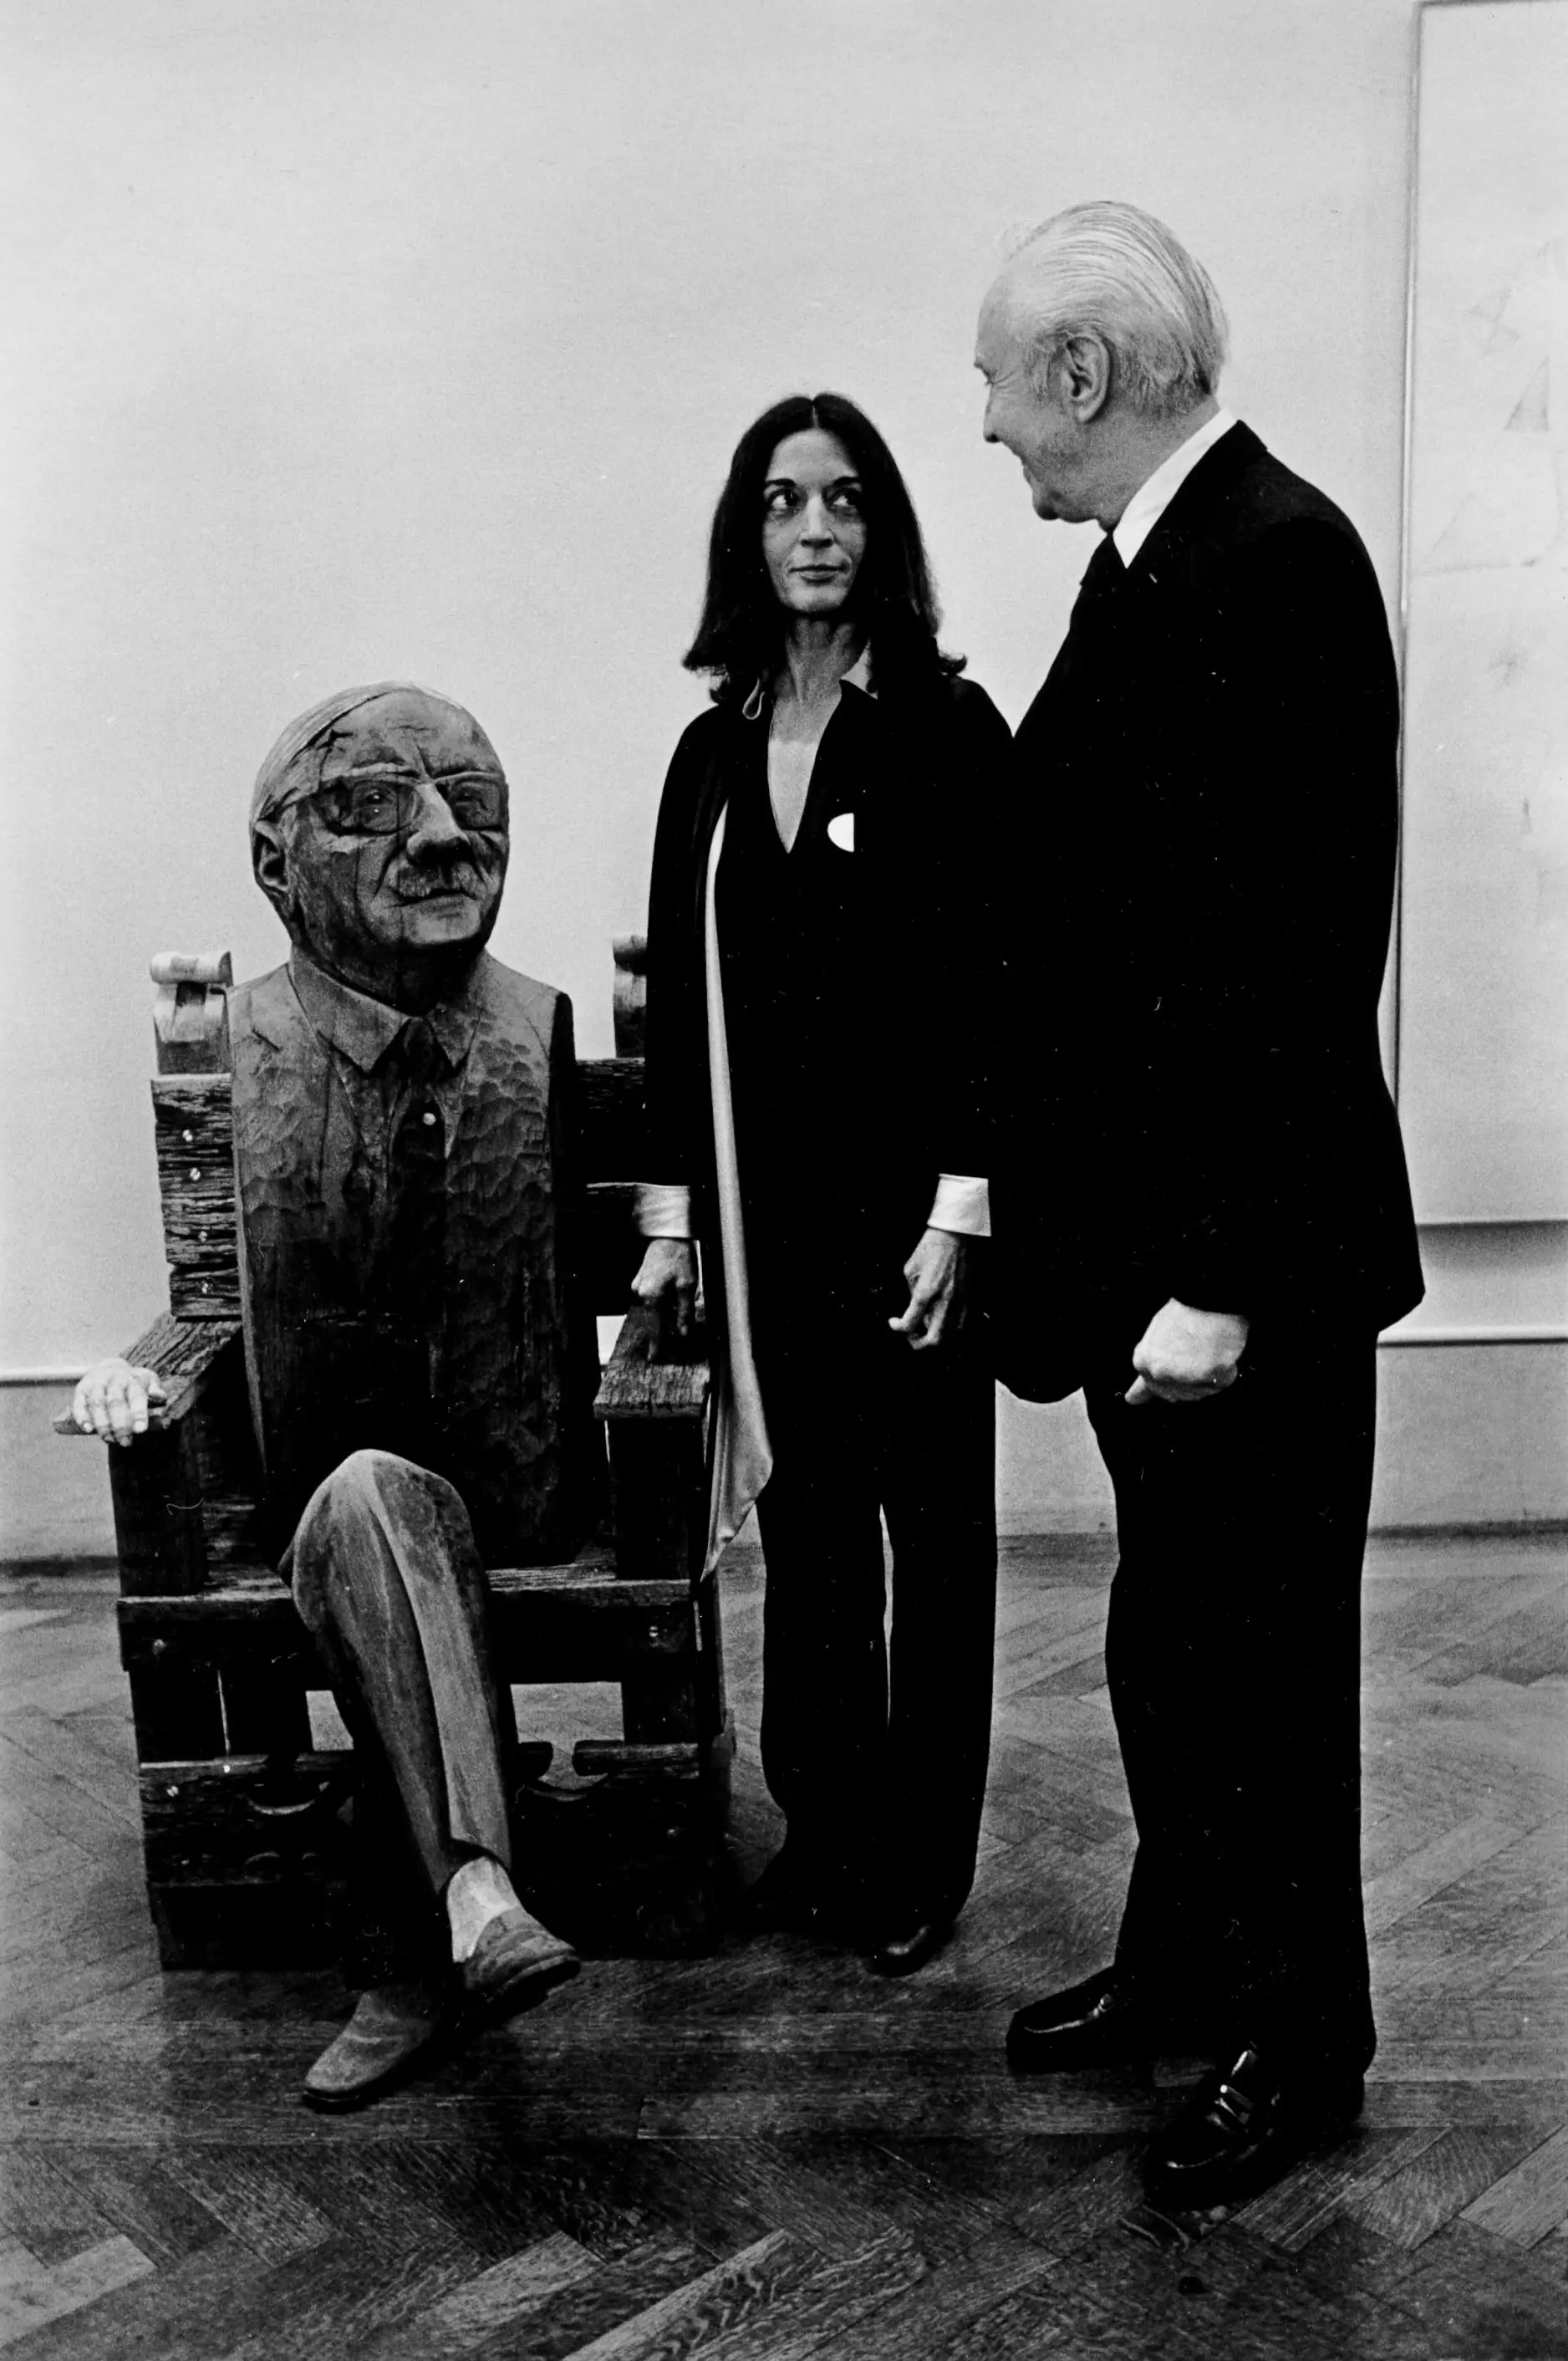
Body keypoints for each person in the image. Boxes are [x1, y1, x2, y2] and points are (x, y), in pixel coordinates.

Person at [976, 205, 1423, 2205]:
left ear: (1079, 374)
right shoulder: (1148, 563)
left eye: (999, 383)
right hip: (1141, 1253)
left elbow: (1296, 957)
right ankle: (1178, 1968)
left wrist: (1227, 1276)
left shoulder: (1280, 558)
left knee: (1261, 1660)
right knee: (1171, 1645)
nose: (986, 428)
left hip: (1234, 1269)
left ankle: (1293, 2039)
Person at [73, 683, 602, 2109]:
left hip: (518, 1494)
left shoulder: (533, 1030)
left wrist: (666, 1279)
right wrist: (138, 1375)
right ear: (271, 859)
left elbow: (635, 1247)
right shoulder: (238, 1048)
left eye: (470, 805)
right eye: (368, 806)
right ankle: (478, 1894)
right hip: (316, 1499)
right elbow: (198, 1300)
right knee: (371, 1500)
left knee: (394, 1517)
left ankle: (419, 1944)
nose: (439, 839)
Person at [632, 393, 1011, 1976]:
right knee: (809, 1532)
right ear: (748, 532)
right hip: (764, 1226)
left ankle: (921, 1857)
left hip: (915, 1228)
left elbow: (1004, 984)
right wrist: (670, 1228)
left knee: (933, 1533)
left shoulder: (944, 731)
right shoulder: (706, 756)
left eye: (845, 501)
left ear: (883, 530)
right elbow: (672, 1016)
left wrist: (964, 1203)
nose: (815, 531)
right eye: (786, 503)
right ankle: (826, 1824)